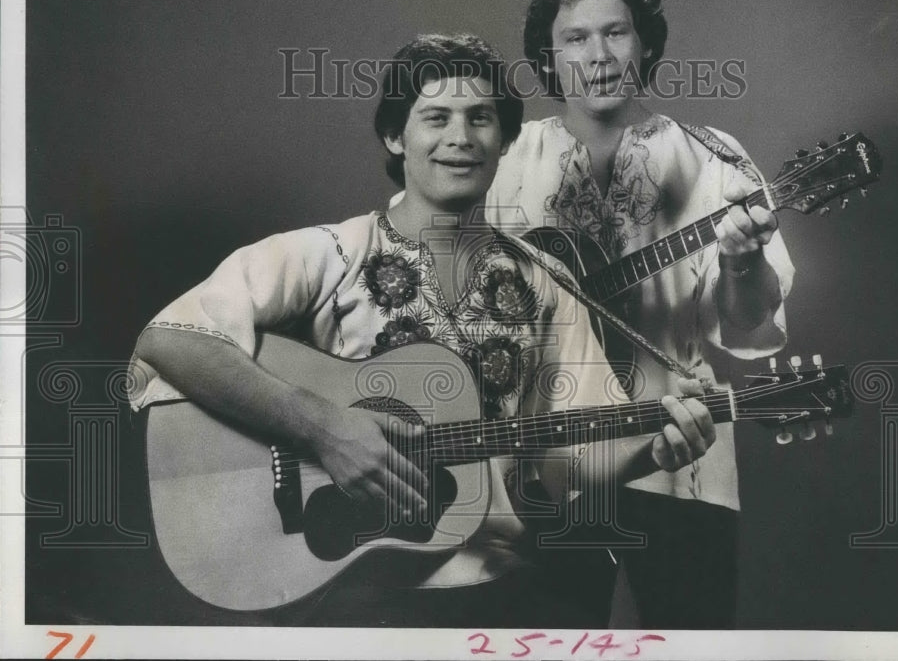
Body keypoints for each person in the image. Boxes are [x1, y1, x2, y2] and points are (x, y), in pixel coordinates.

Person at [128, 33, 717, 628]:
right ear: (395, 136)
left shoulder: (547, 280)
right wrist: (326, 427)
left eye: (481, 118)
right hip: (355, 585)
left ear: (506, 139)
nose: (460, 138)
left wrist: (654, 445)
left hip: (503, 582)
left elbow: (566, 460)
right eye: (436, 117)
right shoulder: (331, 254)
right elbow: (171, 340)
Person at [484, 0, 796, 629]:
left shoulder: (714, 157)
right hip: (546, 470)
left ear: (643, 42)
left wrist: (744, 264)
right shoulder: (505, 163)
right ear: (548, 55)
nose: (597, 55)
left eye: (614, 31)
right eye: (575, 37)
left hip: (682, 459)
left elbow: (747, 328)